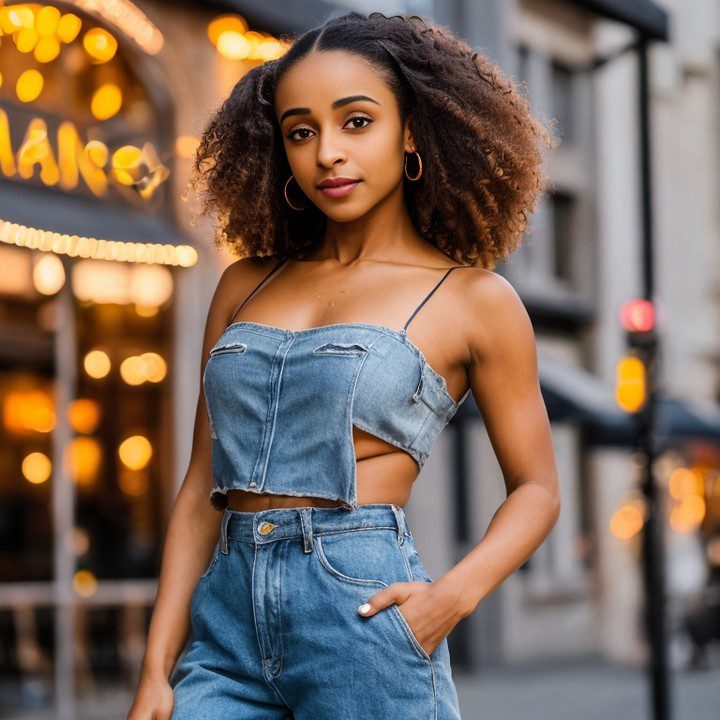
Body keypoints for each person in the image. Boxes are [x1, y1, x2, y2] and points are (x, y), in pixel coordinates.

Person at [127, 10, 561, 720]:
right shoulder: (245, 283)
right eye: (302, 131)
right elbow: (202, 483)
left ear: (411, 131)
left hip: (361, 618)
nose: (328, 152)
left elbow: (538, 488)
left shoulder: (475, 299)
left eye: (356, 122)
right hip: (224, 633)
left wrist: (450, 600)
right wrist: (155, 667)